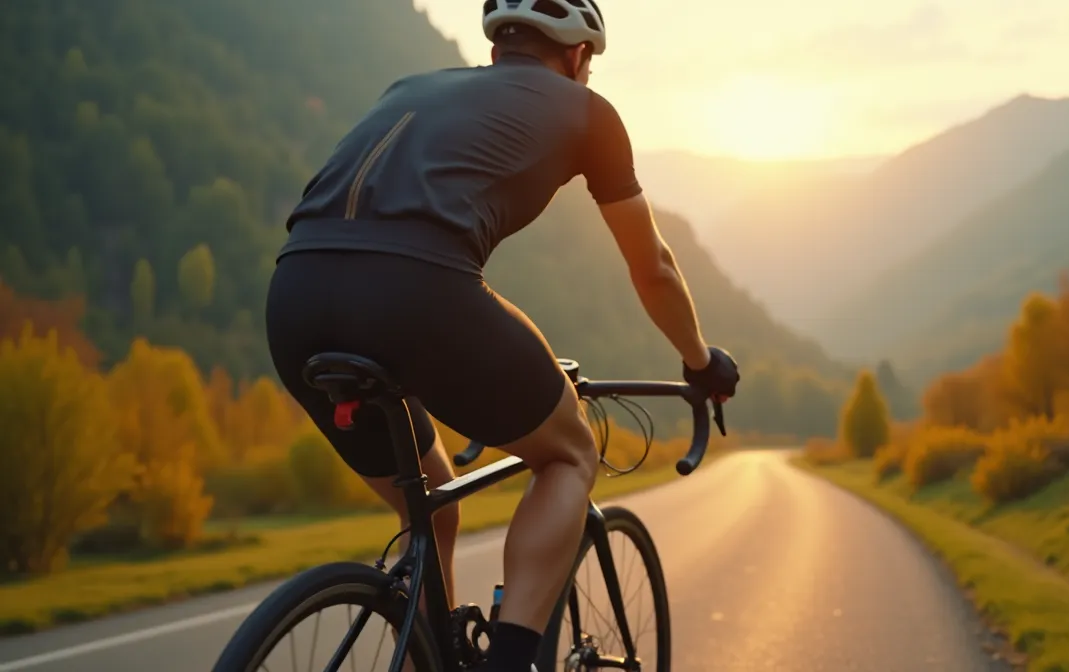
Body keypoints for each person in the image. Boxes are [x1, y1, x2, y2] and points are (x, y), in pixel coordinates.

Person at [263, 0, 740, 670]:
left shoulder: (409, 88)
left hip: (295, 299)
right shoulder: (589, 111)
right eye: (589, 65)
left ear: (495, 50)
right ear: (578, 57)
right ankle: (511, 661)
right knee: (571, 451)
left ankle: (425, 656)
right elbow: (653, 268)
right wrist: (700, 362)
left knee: (429, 508)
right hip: (417, 295)